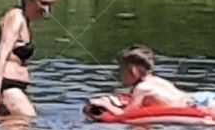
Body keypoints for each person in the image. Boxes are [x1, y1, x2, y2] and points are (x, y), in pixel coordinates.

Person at [0, 0, 63, 118]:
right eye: (43, 4)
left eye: (50, 5)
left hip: (15, 87)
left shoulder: (26, 23)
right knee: (29, 118)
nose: (46, 11)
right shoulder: (16, 18)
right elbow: (1, 57)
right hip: (7, 87)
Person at [84, 45, 215, 117]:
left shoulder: (141, 89)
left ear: (133, 70)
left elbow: (125, 115)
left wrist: (104, 104)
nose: (120, 75)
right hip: (203, 97)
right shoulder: (157, 80)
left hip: (198, 107)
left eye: (122, 70)